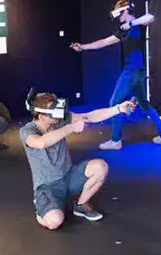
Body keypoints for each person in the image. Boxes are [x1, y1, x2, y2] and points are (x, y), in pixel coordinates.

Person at [19, 91, 136, 230]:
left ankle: (81, 205)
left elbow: (90, 116)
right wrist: (71, 128)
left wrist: (118, 109)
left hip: (69, 177)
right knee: (55, 221)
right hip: (48, 186)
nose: (58, 113)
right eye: (53, 111)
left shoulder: (59, 120)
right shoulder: (27, 131)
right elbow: (41, 142)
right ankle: (41, 209)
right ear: (41, 115)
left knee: (100, 167)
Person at [70, 0, 161, 150]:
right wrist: (83, 47)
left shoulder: (137, 24)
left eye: (119, 13)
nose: (117, 18)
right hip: (137, 73)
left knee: (114, 103)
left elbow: (151, 17)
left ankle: (116, 140)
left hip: (131, 72)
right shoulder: (123, 31)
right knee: (144, 103)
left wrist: (131, 24)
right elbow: (103, 42)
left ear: (125, 10)